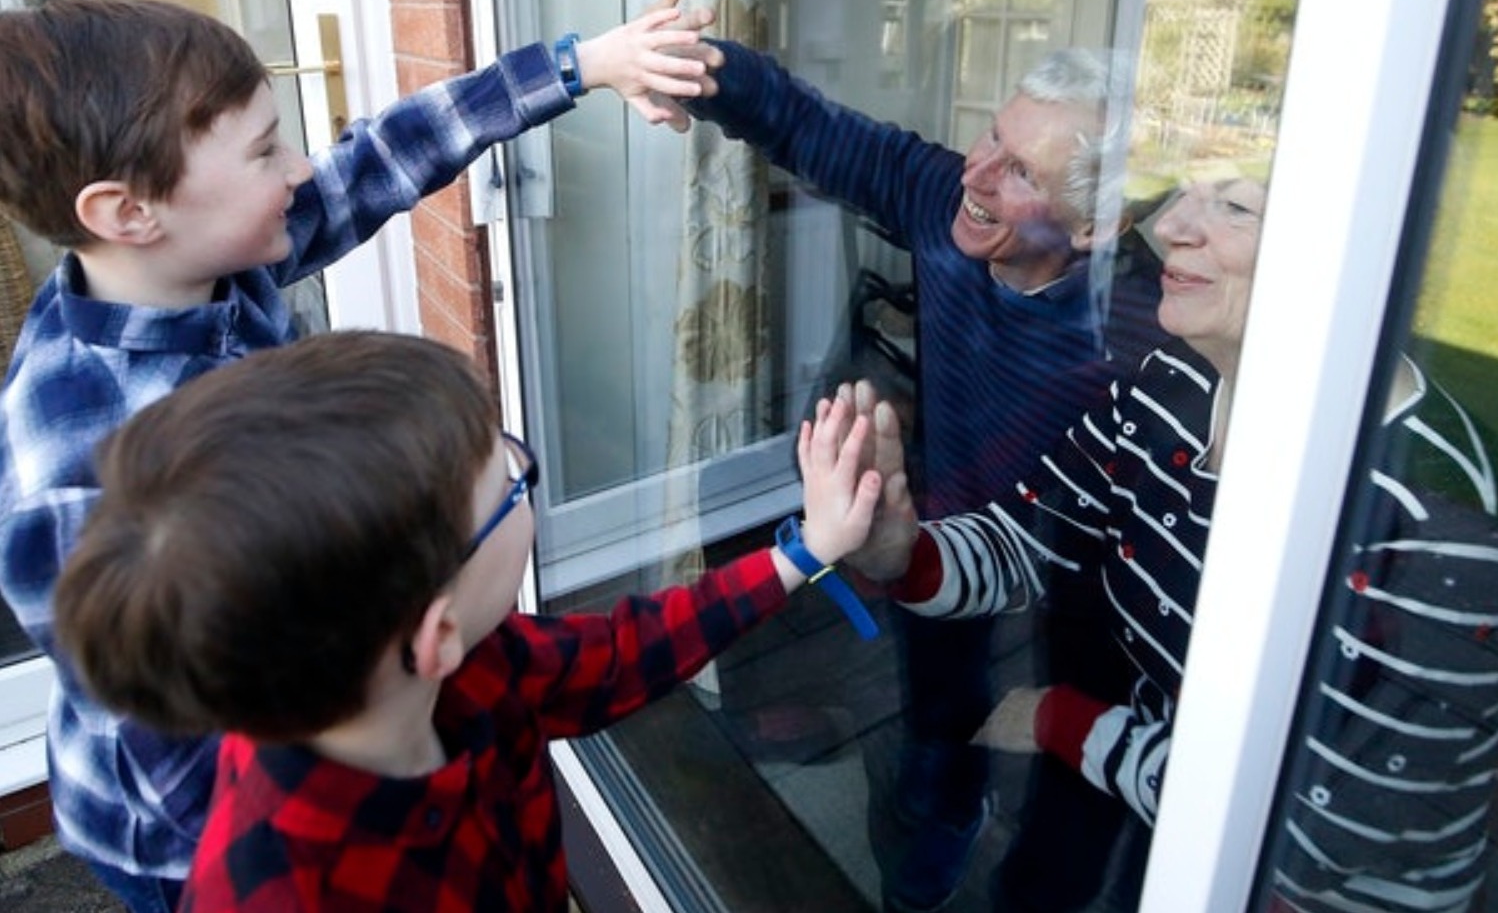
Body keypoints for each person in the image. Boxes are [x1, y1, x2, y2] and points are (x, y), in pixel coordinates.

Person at [0, 0, 718, 911]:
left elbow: (379, 160)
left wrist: (581, 65)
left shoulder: (201, 263)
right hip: (197, 830)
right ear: (128, 211)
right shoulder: (72, 460)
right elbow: (162, 726)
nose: (302, 169)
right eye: (264, 150)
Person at [837, 174, 1498, 912]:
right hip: (1173, 821)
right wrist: (898, 549)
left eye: (1234, 206)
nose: (1168, 225)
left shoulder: (1443, 514)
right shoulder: (1174, 380)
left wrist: (1068, 723)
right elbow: (1029, 537)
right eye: (1188, 194)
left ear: (1354, 255)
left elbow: (1311, 835)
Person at [51, 329, 884, 913]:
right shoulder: (271, 891)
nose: (523, 465)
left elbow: (625, 652)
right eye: (513, 482)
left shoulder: (472, 663)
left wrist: (809, 548)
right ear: (434, 634)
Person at [679, 40, 1169, 910]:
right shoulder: (945, 201)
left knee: (1060, 816)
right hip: (944, 537)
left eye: (1020, 171)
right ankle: (944, 809)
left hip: (1073, 586)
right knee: (934, 726)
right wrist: (700, 67)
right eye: (992, 135)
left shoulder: (1142, 334)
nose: (976, 174)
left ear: (1093, 226)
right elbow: (808, 124)